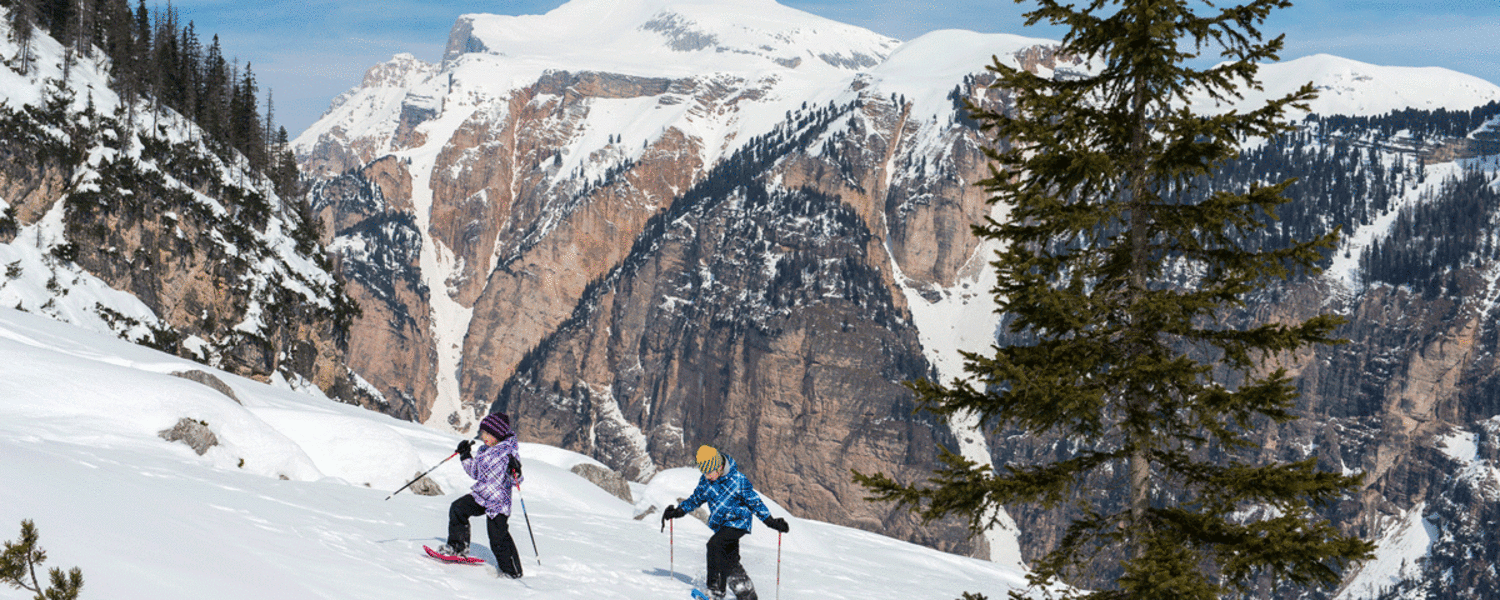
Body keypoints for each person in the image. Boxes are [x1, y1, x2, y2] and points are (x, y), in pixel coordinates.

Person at [662, 445, 789, 600]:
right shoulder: (706, 481)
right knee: (729, 561)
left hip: (738, 522)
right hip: (721, 525)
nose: (707, 476)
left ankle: (715, 591)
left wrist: (770, 521)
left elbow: (755, 502)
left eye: (709, 472)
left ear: (719, 467)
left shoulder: (738, 480)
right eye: (704, 472)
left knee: (714, 545)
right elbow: (695, 499)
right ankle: (747, 594)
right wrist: (678, 511)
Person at [438, 412, 525, 578]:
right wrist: (465, 455)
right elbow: (476, 473)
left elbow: (516, 481)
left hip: (498, 502)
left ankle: (512, 571)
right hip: (481, 496)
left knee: (498, 538)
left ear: (497, 434)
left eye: (487, 433)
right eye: (483, 432)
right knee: (458, 508)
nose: (483, 436)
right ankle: (458, 547)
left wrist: (516, 471)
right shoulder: (484, 450)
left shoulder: (509, 453)